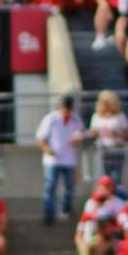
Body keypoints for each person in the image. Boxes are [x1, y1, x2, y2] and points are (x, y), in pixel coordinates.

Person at [35, 94, 86, 226]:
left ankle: (66, 209)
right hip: (53, 160)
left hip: (69, 160)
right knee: (50, 187)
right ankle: (49, 214)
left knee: (69, 188)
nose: (66, 112)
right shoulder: (50, 119)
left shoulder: (76, 119)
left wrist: (78, 140)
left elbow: (81, 136)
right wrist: (47, 149)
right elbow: (40, 138)